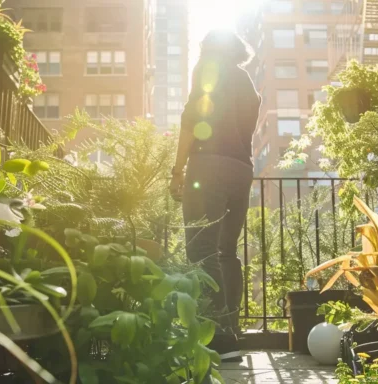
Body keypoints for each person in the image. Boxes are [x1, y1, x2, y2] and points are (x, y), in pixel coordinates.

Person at [169, 30, 260, 363]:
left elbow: (191, 118)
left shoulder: (208, 67)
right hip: (241, 169)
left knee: (202, 247)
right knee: (225, 251)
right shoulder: (246, 80)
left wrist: (178, 170)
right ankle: (231, 333)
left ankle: (218, 337)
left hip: (208, 165)